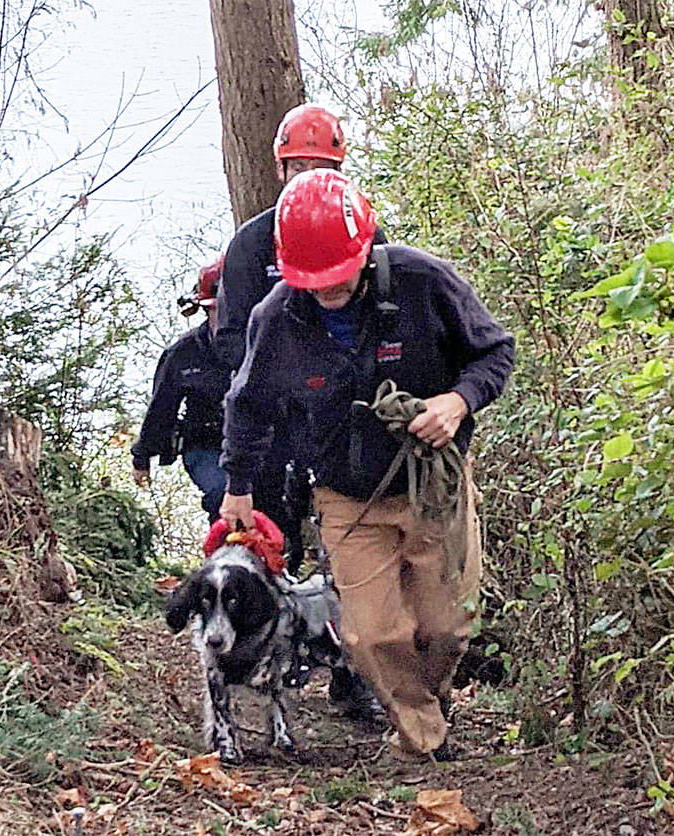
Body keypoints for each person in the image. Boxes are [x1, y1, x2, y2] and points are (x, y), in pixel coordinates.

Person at [219, 170, 516, 762]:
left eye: (336, 276)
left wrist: (456, 403)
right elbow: (247, 405)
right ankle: (420, 741)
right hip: (345, 494)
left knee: (447, 628)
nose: (326, 290)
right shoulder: (276, 318)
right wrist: (238, 486)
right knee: (370, 635)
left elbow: (494, 352)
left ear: (364, 251)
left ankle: (424, 702)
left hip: (433, 485)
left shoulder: (422, 281)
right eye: (312, 280)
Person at [214, 103, 387, 572]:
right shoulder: (252, 245)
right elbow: (230, 337)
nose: (308, 175)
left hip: (344, 407)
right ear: (281, 168)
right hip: (275, 409)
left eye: (320, 166)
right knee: (270, 515)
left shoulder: (363, 232)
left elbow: (385, 315)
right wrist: (279, 376)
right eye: (300, 165)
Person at [131, 258, 230, 520]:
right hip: (207, 447)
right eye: (220, 310)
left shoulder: (268, 343)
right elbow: (161, 408)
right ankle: (222, 556)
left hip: (263, 444)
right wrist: (142, 455)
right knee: (223, 495)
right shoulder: (183, 354)